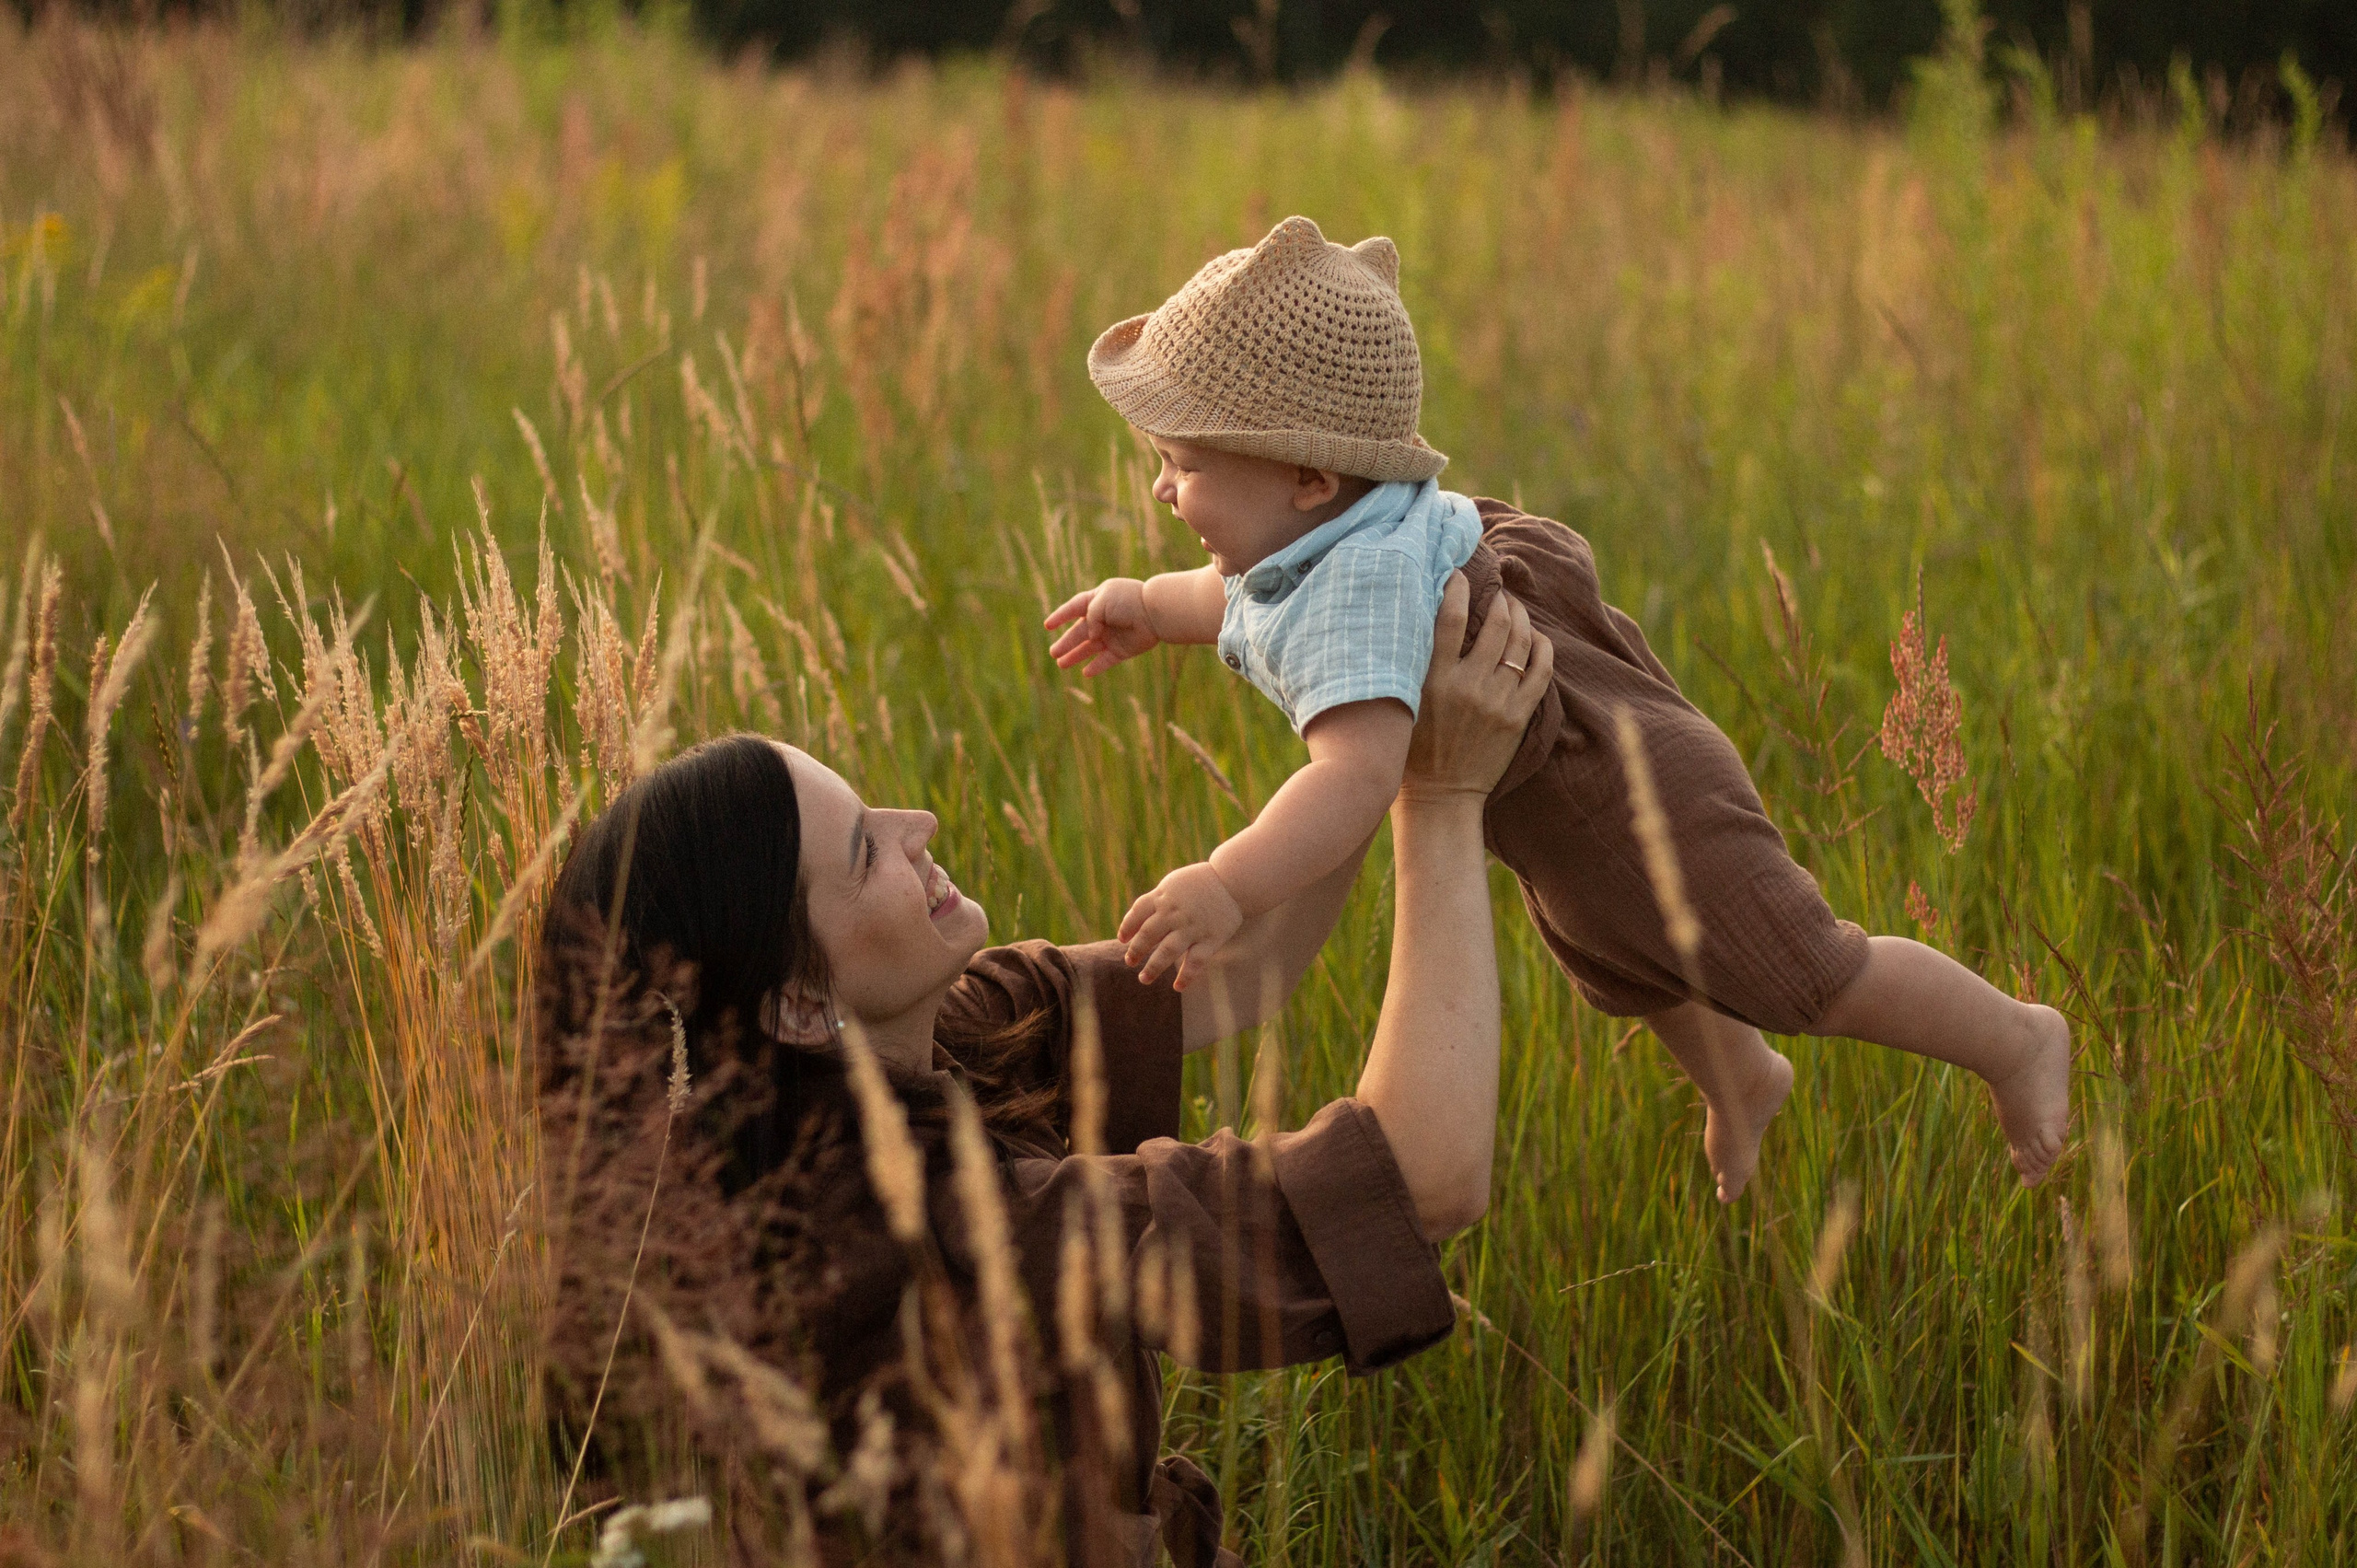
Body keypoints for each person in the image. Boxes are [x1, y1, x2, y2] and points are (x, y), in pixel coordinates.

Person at [1045, 215, 2072, 1200]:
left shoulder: (1360, 588)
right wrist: (1144, 605)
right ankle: (1741, 1076)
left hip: (1614, 760)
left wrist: (1227, 883)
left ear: (1311, 477)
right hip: (1549, 756)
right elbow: (1250, 593)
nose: (1161, 494)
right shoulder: (1330, 532)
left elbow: (1353, 777)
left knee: (1799, 966)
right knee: (1611, 939)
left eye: (1182, 468)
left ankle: (2012, 1035)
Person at [536, 575, 1549, 1565]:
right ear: (800, 1003)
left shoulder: (889, 1049)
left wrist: (1363, 720)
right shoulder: (946, 1229)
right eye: (863, 851)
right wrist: (1442, 791)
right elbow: (1428, 1178)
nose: (917, 828)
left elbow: (1241, 968)